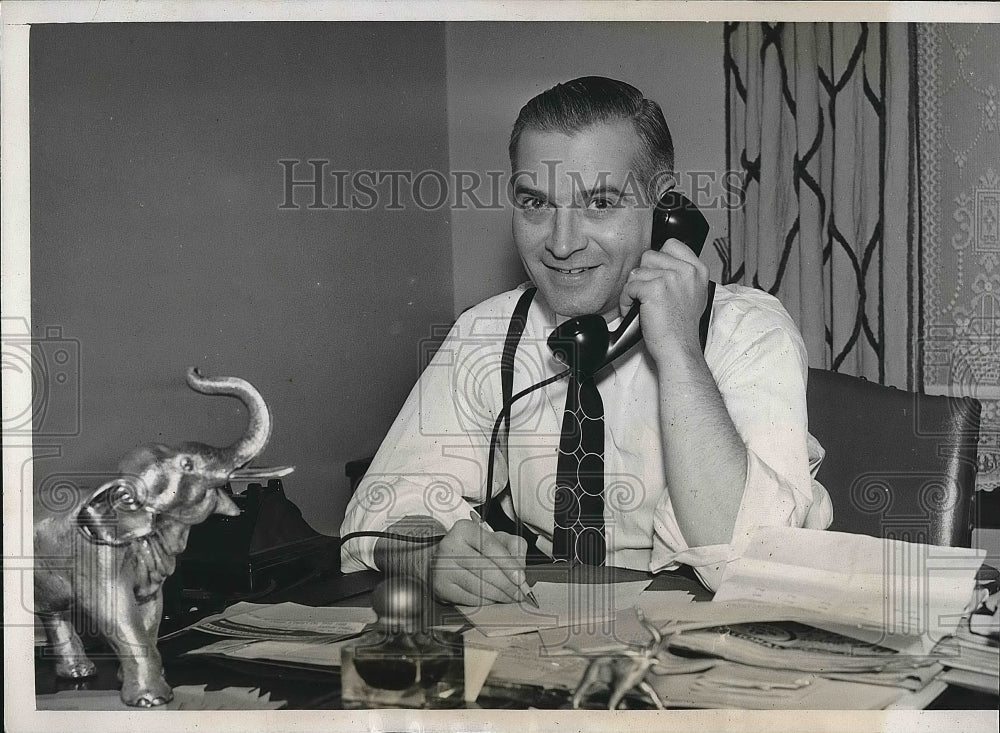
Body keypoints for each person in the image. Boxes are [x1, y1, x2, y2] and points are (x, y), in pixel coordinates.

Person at [340, 76, 832, 604]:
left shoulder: (748, 333)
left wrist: (681, 354)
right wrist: (431, 555)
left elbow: (750, 560)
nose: (561, 243)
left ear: (667, 209)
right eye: (535, 204)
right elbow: (382, 504)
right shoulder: (488, 334)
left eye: (599, 204)